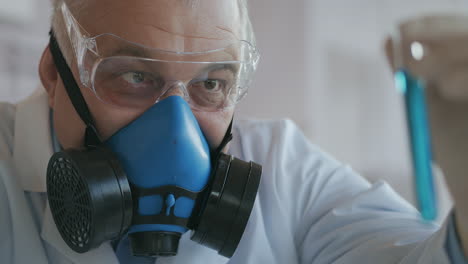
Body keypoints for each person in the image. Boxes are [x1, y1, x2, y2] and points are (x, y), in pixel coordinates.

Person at [1, 0, 467, 263]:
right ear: (53, 73)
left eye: (210, 84)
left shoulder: (285, 170)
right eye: (134, 77)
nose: (175, 131)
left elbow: (403, 252)